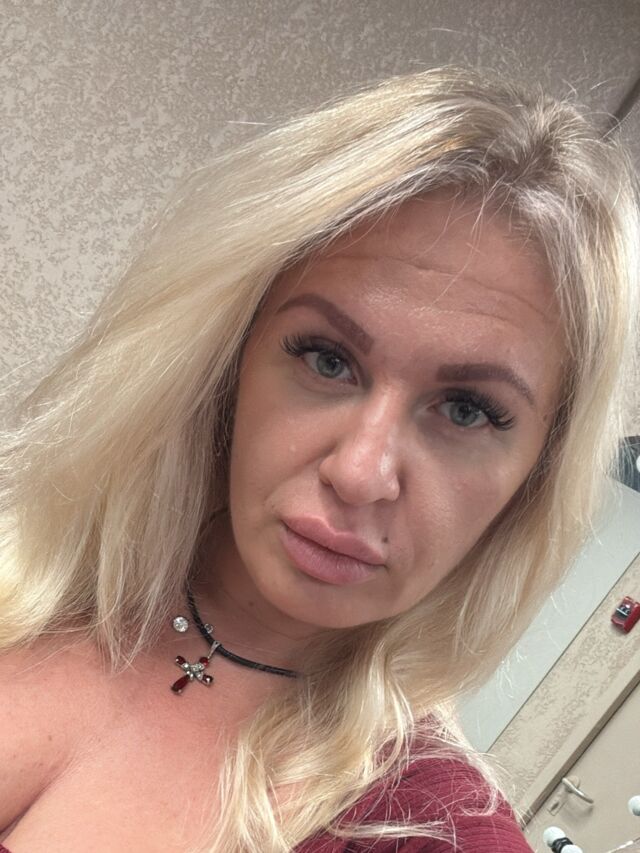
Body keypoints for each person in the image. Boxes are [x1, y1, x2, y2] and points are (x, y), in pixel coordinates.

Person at [0, 65, 638, 853]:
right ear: (229, 357)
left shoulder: (431, 833)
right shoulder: (30, 575)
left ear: (533, 479)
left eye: (467, 409)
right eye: (327, 359)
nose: (361, 473)